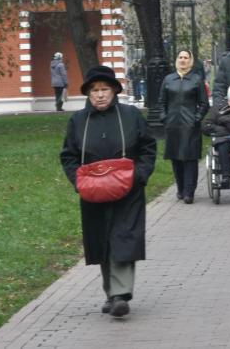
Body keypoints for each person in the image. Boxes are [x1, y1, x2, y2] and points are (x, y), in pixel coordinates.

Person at [60, 66, 157, 317]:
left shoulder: (131, 115)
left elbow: (148, 148)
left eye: (104, 89)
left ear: (114, 90)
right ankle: (111, 294)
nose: (100, 95)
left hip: (128, 190)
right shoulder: (78, 120)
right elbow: (68, 155)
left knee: (123, 238)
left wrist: (139, 175)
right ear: (88, 94)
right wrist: (78, 181)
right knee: (102, 241)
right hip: (93, 192)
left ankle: (120, 294)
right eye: (94, 90)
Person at [159, 50, 209, 204]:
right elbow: (161, 102)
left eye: (186, 58)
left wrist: (197, 118)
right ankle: (180, 188)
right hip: (172, 125)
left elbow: (204, 104)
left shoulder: (196, 80)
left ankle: (189, 192)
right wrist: (164, 117)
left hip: (190, 126)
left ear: (191, 61)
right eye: (180, 57)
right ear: (176, 60)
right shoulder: (168, 79)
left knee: (190, 159)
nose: (183, 60)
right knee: (176, 159)